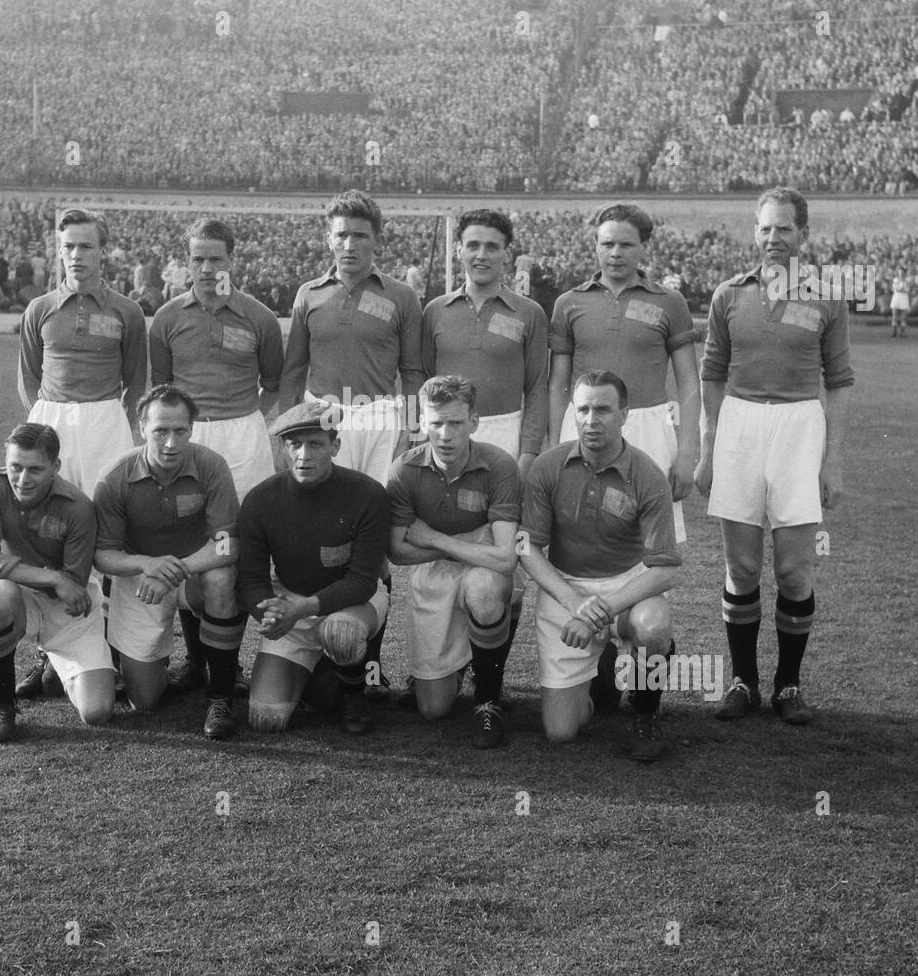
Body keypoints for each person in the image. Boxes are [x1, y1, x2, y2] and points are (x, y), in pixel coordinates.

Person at [696, 186, 854, 725]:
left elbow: (840, 381)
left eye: (784, 229)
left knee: (792, 569)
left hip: (798, 426)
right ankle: (744, 681)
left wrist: (831, 460)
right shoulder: (728, 295)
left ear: (803, 235)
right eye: (765, 228)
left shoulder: (827, 295)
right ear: (754, 232)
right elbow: (711, 375)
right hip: (740, 424)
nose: (773, 238)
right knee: (741, 567)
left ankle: (788, 685)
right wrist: (709, 448)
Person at [548, 203, 698, 713]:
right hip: (585, 423)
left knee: (648, 554)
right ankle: (603, 662)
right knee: (587, 534)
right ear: (594, 246)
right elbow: (557, 381)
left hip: (652, 426)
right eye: (607, 243)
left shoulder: (669, 301)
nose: (615, 253)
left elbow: (689, 381)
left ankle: (648, 682)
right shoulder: (569, 302)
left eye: (626, 244)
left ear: (643, 248)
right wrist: (554, 441)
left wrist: (689, 449)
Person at [278, 189, 424, 697]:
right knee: (325, 530)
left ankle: (368, 664)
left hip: (381, 419)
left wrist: (409, 431)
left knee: (376, 543)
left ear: (376, 240)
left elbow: (413, 371)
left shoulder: (402, 296)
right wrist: (288, 430)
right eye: (341, 234)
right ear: (328, 238)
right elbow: (293, 370)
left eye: (360, 235)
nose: (349, 244)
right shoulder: (308, 294)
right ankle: (326, 648)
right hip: (324, 419)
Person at [149, 217, 283, 695]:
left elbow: (274, 382)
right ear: (187, 263)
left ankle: (231, 660)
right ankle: (194, 658)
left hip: (244, 436)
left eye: (216, 258)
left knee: (237, 546)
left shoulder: (259, 317)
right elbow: (162, 388)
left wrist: (246, 419)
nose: (207, 268)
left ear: (232, 260)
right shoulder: (167, 317)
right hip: (187, 438)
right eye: (197, 259)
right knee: (192, 540)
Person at [17, 208, 147, 697]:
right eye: (68, 246)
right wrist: (47, 423)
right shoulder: (41, 308)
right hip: (52, 419)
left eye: (86, 246)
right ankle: (48, 654)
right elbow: (28, 376)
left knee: (107, 529)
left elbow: (136, 378)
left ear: (102, 251)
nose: (76, 255)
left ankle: (109, 649)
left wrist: (112, 420)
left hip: (105, 420)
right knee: (45, 532)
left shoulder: (126, 311)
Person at [518, 371, 681, 759]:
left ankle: (645, 711)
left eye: (604, 410)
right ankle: (602, 676)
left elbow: (665, 569)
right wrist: (575, 603)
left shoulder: (647, 474)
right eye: (584, 409)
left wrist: (598, 612)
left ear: (624, 414)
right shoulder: (547, 466)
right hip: (566, 589)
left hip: (626, 588)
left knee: (654, 625)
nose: (592, 420)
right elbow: (526, 548)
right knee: (560, 733)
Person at [92, 386, 245, 738]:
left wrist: (175, 570)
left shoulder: (211, 465)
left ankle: (220, 697)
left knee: (223, 580)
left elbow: (228, 544)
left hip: (195, 572)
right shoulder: (115, 476)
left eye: (180, 431)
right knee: (144, 701)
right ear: (141, 427)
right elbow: (103, 555)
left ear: (192, 429)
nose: (171, 443)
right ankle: (145, 660)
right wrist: (148, 564)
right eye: (161, 431)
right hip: (141, 580)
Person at [236, 401, 392, 737]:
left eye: (316, 444)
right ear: (284, 448)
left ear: (335, 446)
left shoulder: (366, 494)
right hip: (290, 606)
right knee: (267, 717)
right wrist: (270, 612)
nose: (304, 455)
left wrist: (302, 608)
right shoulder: (260, 500)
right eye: (295, 444)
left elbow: (364, 581)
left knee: (341, 635)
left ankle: (356, 694)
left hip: (351, 605)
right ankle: (326, 672)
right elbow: (250, 578)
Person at [386, 377, 520, 748]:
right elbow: (397, 552)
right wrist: (470, 543)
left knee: (486, 588)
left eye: (456, 423)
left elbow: (506, 557)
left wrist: (432, 537)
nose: (445, 434)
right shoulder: (403, 470)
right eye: (436, 422)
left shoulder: (499, 465)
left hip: (484, 569)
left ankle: (488, 701)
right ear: (422, 423)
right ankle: (462, 661)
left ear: (474, 422)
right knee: (432, 709)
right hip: (438, 572)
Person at [0, 423, 115, 742]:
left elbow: (73, 585)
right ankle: (2, 708)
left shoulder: (78, 507)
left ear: (56, 467)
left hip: (68, 609)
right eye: (15, 467)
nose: (22, 479)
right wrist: (50, 575)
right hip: (19, 596)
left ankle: (53, 664)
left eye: (35, 469)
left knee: (97, 712)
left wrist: (3, 566)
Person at [422, 209, 548, 477]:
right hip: (446, 432)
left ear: (507, 254)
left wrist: (528, 454)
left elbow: (537, 389)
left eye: (492, 247)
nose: (481, 255)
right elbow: (422, 381)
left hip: (505, 432)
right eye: (473, 246)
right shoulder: (435, 311)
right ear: (458, 251)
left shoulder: (530, 312)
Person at [889, 264, 911, 337]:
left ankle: (902, 332)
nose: (901, 274)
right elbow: (896, 289)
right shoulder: (895, 280)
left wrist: (902, 288)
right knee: (894, 315)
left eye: (902, 272)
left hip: (904, 298)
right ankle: (894, 331)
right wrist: (901, 288)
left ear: (905, 273)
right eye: (899, 272)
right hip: (896, 297)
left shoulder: (908, 280)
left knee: (903, 316)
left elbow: (907, 290)